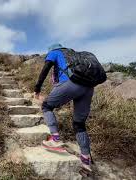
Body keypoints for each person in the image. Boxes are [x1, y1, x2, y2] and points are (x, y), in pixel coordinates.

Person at [34, 43, 94, 172]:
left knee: (46, 106)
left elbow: (45, 69)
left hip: (70, 83)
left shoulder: (54, 52)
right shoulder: (75, 54)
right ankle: (86, 159)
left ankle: (55, 139)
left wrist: (37, 88)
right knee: (79, 123)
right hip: (88, 87)